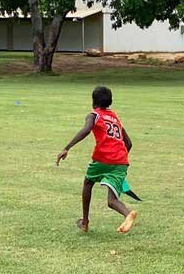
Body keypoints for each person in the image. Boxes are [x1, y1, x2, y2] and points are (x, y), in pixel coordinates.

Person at [56, 86, 139, 234]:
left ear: (93, 101)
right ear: (110, 102)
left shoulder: (94, 115)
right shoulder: (115, 118)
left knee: (88, 183)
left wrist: (67, 147)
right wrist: (118, 160)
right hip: (121, 161)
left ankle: (85, 222)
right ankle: (127, 214)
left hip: (102, 158)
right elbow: (129, 143)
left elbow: (86, 130)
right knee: (111, 201)